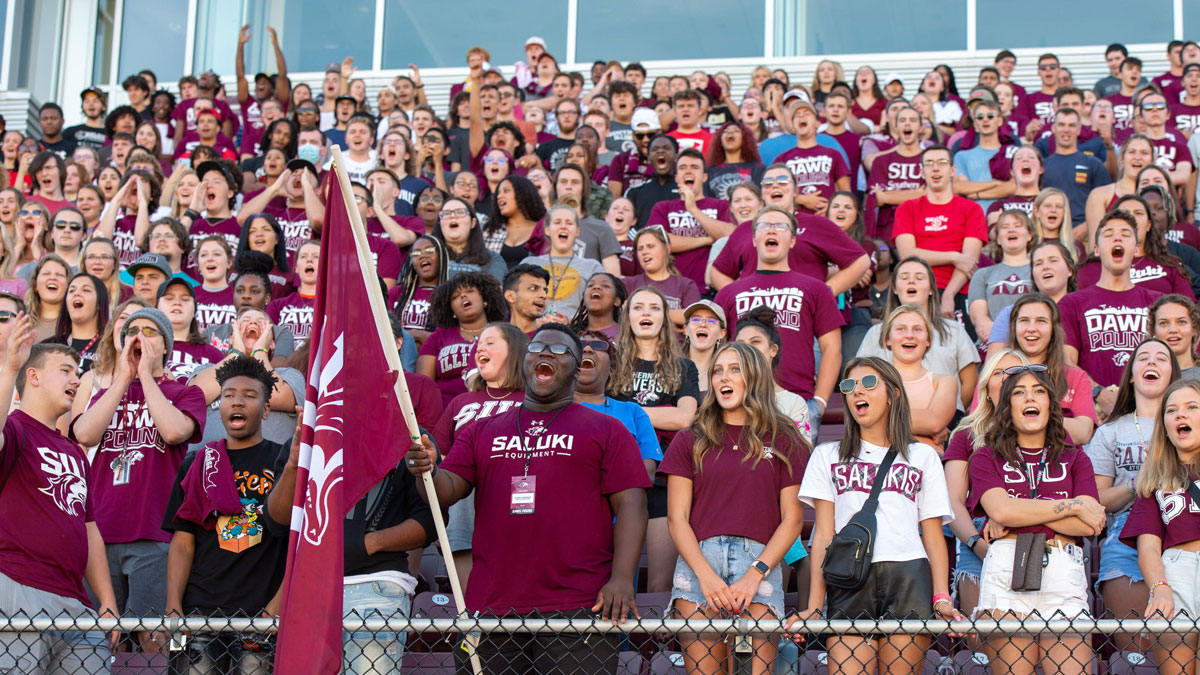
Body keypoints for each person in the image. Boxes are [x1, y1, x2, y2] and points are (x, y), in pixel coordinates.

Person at [406, 323, 651, 674]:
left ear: (578, 365)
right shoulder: (481, 430)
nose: (546, 353)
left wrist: (623, 578)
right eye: (537, 348)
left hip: (578, 605)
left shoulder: (608, 429)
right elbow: (447, 488)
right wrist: (428, 468)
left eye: (561, 349)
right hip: (491, 606)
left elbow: (632, 505)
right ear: (525, 362)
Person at [792, 357, 955, 675]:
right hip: (849, 578)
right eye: (849, 386)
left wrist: (941, 597)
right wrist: (814, 605)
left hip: (908, 577)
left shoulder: (922, 456)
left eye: (868, 383)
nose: (856, 392)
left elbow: (933, 535)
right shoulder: (827, 454)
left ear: (893, 393)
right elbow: (824, 534)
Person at [663, 341, 807, 675]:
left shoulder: (785, 437)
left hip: (760, 563)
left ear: (754, 376)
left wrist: (754, 575)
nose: (723, 378)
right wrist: (706, 577)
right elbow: (676, 518)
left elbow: (792, 519)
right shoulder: (691, 438)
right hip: (699, 562)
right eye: (717, 370)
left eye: (734, 369)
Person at [68, 306, 206, 653]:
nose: (139, 337)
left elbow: (175, 431)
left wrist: (146, 376)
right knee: (100, 637)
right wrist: (123, 379)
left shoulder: (183, 392)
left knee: (151, 636)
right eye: (132, 331)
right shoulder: (107, 392)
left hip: (153, 531)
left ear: (166, 346)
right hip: (100, 534)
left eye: (150, 331)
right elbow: (83, 433)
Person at [969, 365, 1105, 675]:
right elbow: (1001, 511)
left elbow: (1089, 524)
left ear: (1050, 404)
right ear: (1007, 406)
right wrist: (1071, 505)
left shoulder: (1076, 457)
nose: (1029, 397)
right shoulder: (986, 457)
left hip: (1064, 567)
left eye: (1039, 391)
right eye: (1019, 392)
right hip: (1007, 569)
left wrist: (1020, 513)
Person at [0, 329, 120, 673]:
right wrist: (9, 369)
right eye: (65, 369)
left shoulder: (74, 451)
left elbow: (89, 527)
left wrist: (107, 600)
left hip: (76, 599)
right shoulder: (15, 429)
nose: (76, 378)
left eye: (78, 371)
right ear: (33, 376)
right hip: (17, 587)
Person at [161, 355, 288, 672]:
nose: (238, 402)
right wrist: (174, 607)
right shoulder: (199, 462)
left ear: (267, 409)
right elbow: (183, 542)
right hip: (200, 610)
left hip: (262, 612)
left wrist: (275, 608)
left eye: (249, 395)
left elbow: (300, 543)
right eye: (229, 394)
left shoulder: (285, 462)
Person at [1084, 337, 1178, 653]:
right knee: (1137, 656)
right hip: (1125, 536)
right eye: (1143, 358)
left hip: (1185, 532)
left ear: (1173, 374)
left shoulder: (1190, 422)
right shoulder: (1109, 432)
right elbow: (1095, 499)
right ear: (1132, 374)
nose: (1151, 362)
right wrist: (1136, 483)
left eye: (1161, 358)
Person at [714, 206, 843, 425]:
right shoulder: (728, 293)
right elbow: (716, 350)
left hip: (796, 400)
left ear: (792, 240)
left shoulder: (816, 288)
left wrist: (819, 402)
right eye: (764, 226)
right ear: (754, 239)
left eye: (780, 226)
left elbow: (832, 348)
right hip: (740, 402)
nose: (772, 231)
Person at [611, 286, 700, 593]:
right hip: (617, 477)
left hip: (666, 477)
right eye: (638, 307)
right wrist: (663, 412)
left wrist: (628, 414)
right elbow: (600, 418)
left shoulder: (683, 366)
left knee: (661, 583)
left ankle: (658, 644)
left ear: (664, 318)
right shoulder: (610, 364)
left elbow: (685, 418)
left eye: (654, 307)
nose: (646, 312)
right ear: (627, 317)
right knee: (616, 576)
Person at [1120, 378, 1200, 675]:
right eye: (1172, 410)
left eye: (1192, 407)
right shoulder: (1154, 481)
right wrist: (1160, 589)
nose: (1181, 414)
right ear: (1164, 424)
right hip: (1174, 572)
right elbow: (1149, 547)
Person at [1060, 211, 1163, 391]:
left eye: (1125, 234)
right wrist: (1099, 394)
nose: (1117, 239)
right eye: (1108, 234)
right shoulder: (1071, 303)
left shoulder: (1158, 302)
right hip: (1094, 410)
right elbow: (1066, 362)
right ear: (1097, 249)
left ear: (1137, 249)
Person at [858, 257, 980, 408]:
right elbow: (861, 376)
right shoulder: (876, 333)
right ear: (895, 288)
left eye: (919, 277)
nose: (911, 281)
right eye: (904, 277)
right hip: (890, 418)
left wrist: (949, 415)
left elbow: (969, 380)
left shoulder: (953, 330)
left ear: (931, 289)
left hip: (945, 422)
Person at [893, 145, 987, 321]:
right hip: (917, 291)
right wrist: (953, 257)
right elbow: (907, 255)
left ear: (952, 170)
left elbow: (969, 261)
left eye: (942, 162)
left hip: (959, 291)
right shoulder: (907, 208)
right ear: (921, 172)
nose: (935, 168)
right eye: (929, 163)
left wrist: (948, 295)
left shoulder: (972, 209)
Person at [573, 329, 661, 481]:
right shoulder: (553, 410)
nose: (587, 349)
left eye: (598, 345)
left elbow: (647, 472)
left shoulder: (633, 412)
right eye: (579, 345)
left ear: (611, 370)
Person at [644, 149, 734, 293]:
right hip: (671, 290)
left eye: (695, 167)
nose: (688, 171)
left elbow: (730, 236)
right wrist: (706, 240)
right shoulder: (663, 207)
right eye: (682, 168)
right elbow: (657, 243)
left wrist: (693, 209)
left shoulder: (721, 205)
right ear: (676, 177)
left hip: (710, 289)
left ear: (704, 177)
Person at [416, 271, 506, 406]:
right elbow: (424, 385)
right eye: (455, 297)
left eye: (470, 291)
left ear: (485, 298)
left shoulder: (504, 333)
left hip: (494, 409)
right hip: (447, 411)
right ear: (450, 309)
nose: (463, 295)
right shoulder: (438, 337)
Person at [733, 307, 813, 441]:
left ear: (773, 350)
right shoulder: (728, 397)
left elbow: (801, 455)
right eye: (740, 345)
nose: (747, 349)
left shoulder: (794, 403)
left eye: (755, 342)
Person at [883, 305, 957, 450]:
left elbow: (934, 422)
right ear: (888, 339)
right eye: (901, 329)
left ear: (928, 340)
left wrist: (883, 418)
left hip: (927, 465)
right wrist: (922, 427)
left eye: (917, 329)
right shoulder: (873, 381)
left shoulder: (944, 382)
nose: (909, 335)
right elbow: (863, 421)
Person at [520, 205, 604, 317]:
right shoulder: (529, 263)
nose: (563, 227)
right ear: (547, 230)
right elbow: (518, 302)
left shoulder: (592, 266)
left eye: (569, 223)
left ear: (577, 231)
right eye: (557, 222)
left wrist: (571, 323)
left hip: (574, 331)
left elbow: (600, 305)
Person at [968, 210, 1034, 340]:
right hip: (994, 343)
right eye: (1005, 227)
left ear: (1030, 235)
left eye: (1017, 225)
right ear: (998, 238)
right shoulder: (982, 274)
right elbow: (981, 321)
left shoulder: (1039, 271)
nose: (1011, 230)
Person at [1042, 108, 1111, 229]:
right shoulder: (1042, 166)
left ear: (1079, 130)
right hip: (1050, 231)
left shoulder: (1093, 164)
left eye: (1072, 125)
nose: (1066, 130)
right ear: (1053, 128)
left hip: (1083, 233)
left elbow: (1107, 202)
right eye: (1061, 125)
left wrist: (1086, 226)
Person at [622, 226, 701, 330]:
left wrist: (641, 311)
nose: (644, 252)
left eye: (650, 246)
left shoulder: (686, 285)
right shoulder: (628, 283)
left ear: (667, 249)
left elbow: (694, 318)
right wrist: (673, 317)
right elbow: (620, 312)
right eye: (640, 248)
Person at [157, 277, 225, 380]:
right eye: (169, 298)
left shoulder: (214, 355)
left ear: (194, 310)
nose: (177, 302)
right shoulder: (146, 349)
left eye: (185, 299)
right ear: (156, 307)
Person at [49, 272, 109, 375]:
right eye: (71, 290)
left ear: (99, 303)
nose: (76, 293)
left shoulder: (111, 347)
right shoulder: (48, 345)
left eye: (86, 290)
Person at [265, 239, 318, 342]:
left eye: (316, 256)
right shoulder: (277, 305)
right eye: (303, 256)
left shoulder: (333, 306)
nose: (309, 260)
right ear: (296, 267)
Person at [682, 300, 726, 397]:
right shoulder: (669, 366)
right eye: (696, 319)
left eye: (711, 321)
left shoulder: (726, 372)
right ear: (686, 329)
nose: (702, 324)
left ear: (722, 333)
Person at [1152, 295, 1200, 378]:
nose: (1173, 330)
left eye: (1181, 322)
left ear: (1194, 329)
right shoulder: (1143, 377)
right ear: (1154, 331)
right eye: (1164, 323)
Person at [568, 273, 626, 340]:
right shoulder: (571, 336)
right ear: (583, 300)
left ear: (617, 301)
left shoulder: (625, 334)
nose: (596, 287)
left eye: (605, 285)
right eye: (590, 285)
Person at [26, 255, 70, 343]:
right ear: (35, 285)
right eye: (46, 274)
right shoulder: (22, 322)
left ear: (69, 286)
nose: (53, 278)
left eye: (59, 275)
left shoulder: (76, 324)